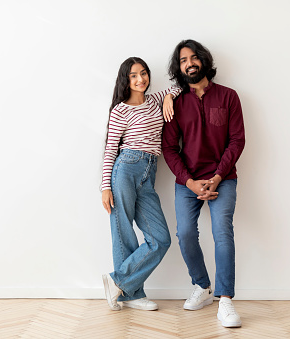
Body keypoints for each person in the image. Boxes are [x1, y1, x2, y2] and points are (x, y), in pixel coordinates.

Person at [162, 40, 245, 327]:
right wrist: (190, 181)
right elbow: (169, 148)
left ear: (204, 61)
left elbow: (237, 140)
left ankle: (225, 301)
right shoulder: (176, 103)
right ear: (179, 68)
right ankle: (202, 286)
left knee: (222, 231)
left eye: (194, 58)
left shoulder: (229, 96)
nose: (189, 63)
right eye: (183, 60)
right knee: (184, 233)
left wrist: (218, 176)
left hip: (223, 178)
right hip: (188, 181)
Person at [101, 57, 181, 311]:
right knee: (123, 230)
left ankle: (119, 283)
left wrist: (169, 98)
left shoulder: (155, 99)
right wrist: (105, 186)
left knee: (161, 238)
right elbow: (110, 148)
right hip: (126, 168)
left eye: (144, 73)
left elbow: (179, 85)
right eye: (134, 75)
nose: (140, 79)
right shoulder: (120, 110)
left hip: (149, 172)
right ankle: (131, 294)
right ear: (126, 79)